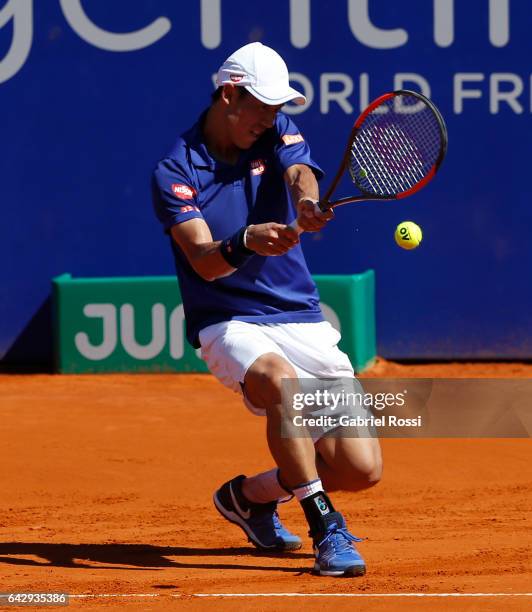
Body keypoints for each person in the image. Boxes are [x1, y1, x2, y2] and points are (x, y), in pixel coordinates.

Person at [152, 42, 382, 577]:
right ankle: (326, 526)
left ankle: (249, 497)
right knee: (281, 383)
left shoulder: (276, 130)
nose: (271, 118)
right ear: (229, 94)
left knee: (360, 468)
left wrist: (305, 203)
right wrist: (246, 241)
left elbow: (301, 171)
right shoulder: (174, 170)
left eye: (278, 108)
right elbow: (206, 263)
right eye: (262, 106)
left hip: (299, 314)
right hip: (228, 321)